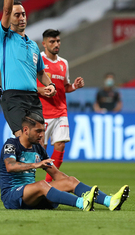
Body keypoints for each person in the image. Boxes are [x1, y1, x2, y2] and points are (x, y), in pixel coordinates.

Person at [0, 111, 130, 211]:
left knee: (70, 180)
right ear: (25, 130)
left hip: (32, 196)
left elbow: (57, 175)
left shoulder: (38, 148)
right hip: (13, 196)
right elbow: (10, 166)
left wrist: (71, 184)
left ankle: (110, 201)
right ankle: (82, 203)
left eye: (43, 131)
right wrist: (35, 164)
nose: (41, 135)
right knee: (43, 184)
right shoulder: (11, 144)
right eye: (38, 131)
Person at [0, 0, 56, 138]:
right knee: (24, 138)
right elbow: (6, 10)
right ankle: (10, 164)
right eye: (17, 15)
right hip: (13, 98)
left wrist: (50, 85)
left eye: (23, 14)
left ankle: (25, 165)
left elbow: (41, 73)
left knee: (38, 138)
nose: (21, 17)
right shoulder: (5, 37)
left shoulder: (33, 45)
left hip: (33, 99)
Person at [37, 29, 84, 183]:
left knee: (60, 145)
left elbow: (65, 87)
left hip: (61, 111)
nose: (56, 44)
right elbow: (30, 84)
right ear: (44, 44)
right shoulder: (38, 60)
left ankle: (48, 182)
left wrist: (74, 86)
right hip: (42, 112)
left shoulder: (64, 63)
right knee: (40, 151)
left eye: (58, 41)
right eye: (52, 41)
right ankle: (29, 182)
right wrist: (42, 91)